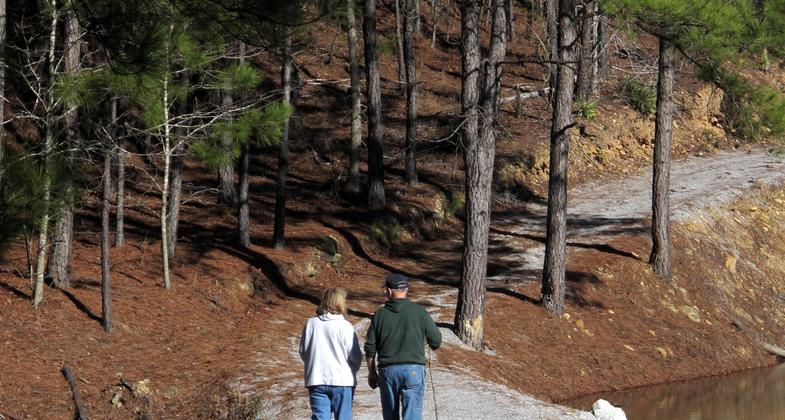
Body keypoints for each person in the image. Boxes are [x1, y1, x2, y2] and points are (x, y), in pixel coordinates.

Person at [365, 273, 442, 420]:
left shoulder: (379, 315)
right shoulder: (419, 312)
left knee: (390, 415)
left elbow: (370, 348)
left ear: (388, 291)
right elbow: (436, 341)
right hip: (413, 370)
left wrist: (371, 372)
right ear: (406, 290)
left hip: (388, 372)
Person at [300, 288, 362, 420]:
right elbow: (355, 355)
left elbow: (303, 351)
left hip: (316, 378)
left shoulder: (311, 324)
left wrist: (313, 363)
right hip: (342, 380)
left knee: (320, 417)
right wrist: (352, 369)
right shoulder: (344, 326)